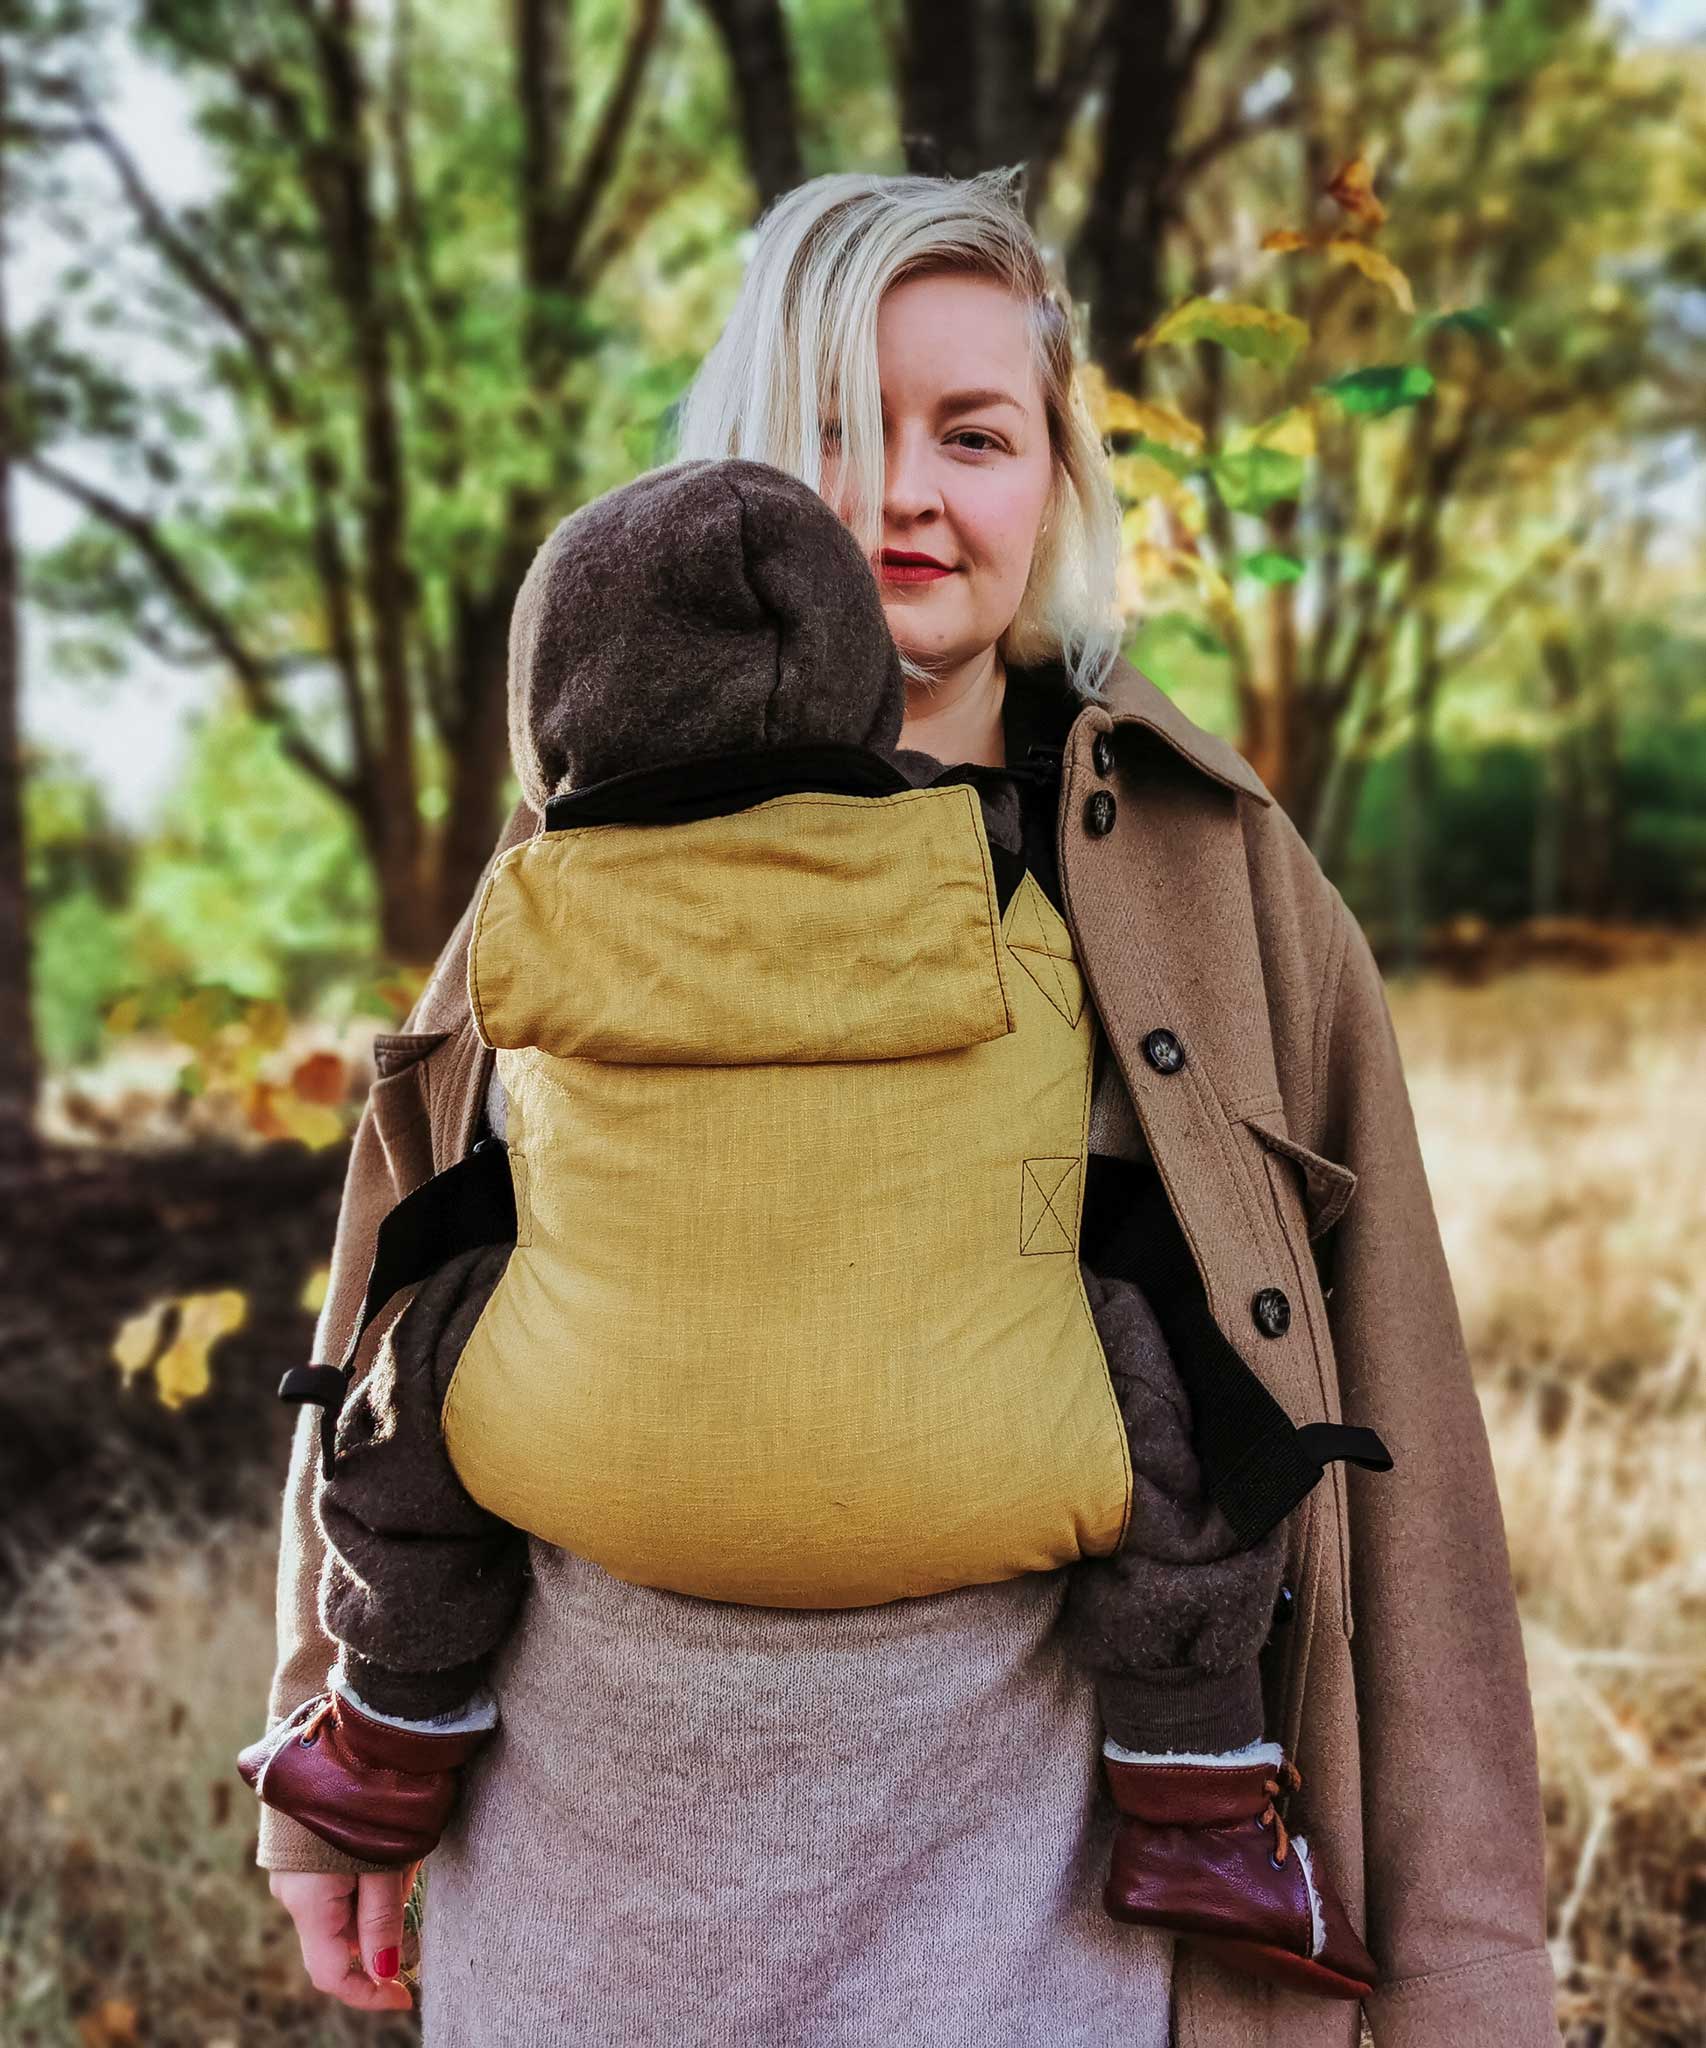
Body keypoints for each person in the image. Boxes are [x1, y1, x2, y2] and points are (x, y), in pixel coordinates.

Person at [255, 167, 1561, 2047]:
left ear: (1056, 478)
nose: (906, 494)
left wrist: (1463, 1968)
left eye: (975, 433)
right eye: (839, 431)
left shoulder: (1212, 871)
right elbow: (394, 1299)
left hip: (1034, 1887)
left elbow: (1398, 1412)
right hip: (587, 1859)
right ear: (746, 471)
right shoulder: (578, 859)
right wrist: (330, 1732)